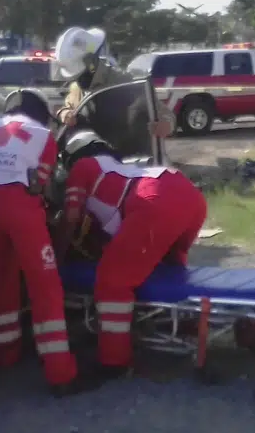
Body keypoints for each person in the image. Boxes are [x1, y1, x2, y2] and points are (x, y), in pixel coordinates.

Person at [0, 89, 98, 397]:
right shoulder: (43, 136)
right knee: (45, 283)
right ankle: (60, 373)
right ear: (40, 115)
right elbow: (40, 184)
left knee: (1, 276)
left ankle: (6, 354)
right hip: (18, 203)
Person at [53, 128, 208, 379]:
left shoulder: (83, 167)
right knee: (169, 269)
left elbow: (71, 217)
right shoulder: (118, 167)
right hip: (188, 195)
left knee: (111, 282)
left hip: (154, 201)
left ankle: (114, 362)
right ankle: (182, 324)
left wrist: (56, 258)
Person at [52, 26, 175, 138]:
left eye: (81, 75)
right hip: (91, 156)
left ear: (92, 63)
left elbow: (163, 113)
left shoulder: (125, 82)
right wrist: (64, 113)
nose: (78, 80)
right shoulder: (76, 88)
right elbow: (67, 108)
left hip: (128, 157)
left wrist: (166, 124)